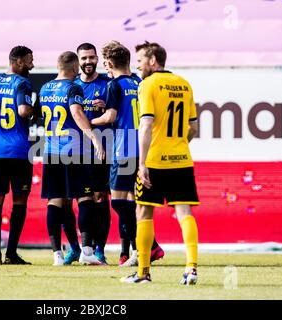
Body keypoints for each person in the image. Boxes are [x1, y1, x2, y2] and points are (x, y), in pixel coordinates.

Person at [121, 41, 200, 284]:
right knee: (184, 212)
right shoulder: (184, 84)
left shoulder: (147, 84)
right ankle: (191, 268)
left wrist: (142, 163)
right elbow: (193, 128)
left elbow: (145, 124)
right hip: (181, 160)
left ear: (153, 60)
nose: (138, 65)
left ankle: (143, 273)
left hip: (154, 161)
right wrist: (176, 144)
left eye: (141, 60)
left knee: (143, 211)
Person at [91, 41, 164, 267]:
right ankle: (140, 248)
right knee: (134, 201)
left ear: (111, 63)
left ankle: (148, 246)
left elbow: (110, 118)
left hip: (123, 150)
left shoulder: (115, 84)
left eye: (105, 63)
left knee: (118, 202)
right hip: (142, 150)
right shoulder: (139, 82)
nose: (105, 67)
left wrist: (88, 123)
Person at [39, 51, 105, 266]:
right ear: (74, 66)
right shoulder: (73, 87)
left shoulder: (45, 88)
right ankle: (87, 251)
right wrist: (94, 138)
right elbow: (76, 113)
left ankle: (57, 254)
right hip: (73, 150)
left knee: (55, 200)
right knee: (85, 198)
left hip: (50, 151)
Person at [0, 46, 35, 265]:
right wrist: (37, 108)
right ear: (20, 62)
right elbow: (24, 111)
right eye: (30, 61)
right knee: (19, 200)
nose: (33, 64)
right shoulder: (23, 83)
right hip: (19, 151)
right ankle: (11, 253)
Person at [61, 43, 111, 265]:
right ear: (78, 61)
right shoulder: (71, 86)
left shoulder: (107, 85)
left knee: (100, 198)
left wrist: (108, 107)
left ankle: (98, 249)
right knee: (71, 200)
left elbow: (119, 114)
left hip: (101, 149)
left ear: (97, 59)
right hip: (74, 151)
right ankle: (76, 247)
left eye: (91, 57)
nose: (88, 62)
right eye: (84, 58)